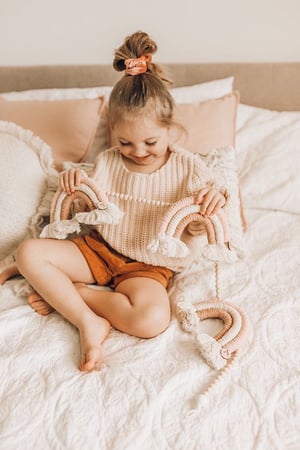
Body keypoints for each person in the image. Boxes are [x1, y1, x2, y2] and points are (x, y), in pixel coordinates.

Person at [14, 31, 227, 373]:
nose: (138, 152)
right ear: (112, 129)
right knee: (29, 253)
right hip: (99, 249)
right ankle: (88, 322)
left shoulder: (189, 168)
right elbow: (87, 211)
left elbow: (199, 225)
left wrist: (210, 204)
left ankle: (76, 294)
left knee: (152, 319)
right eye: (126, 142)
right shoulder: (109, 162)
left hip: (146, 268)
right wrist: (73, 187)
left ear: (171, 129)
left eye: (150, 142)